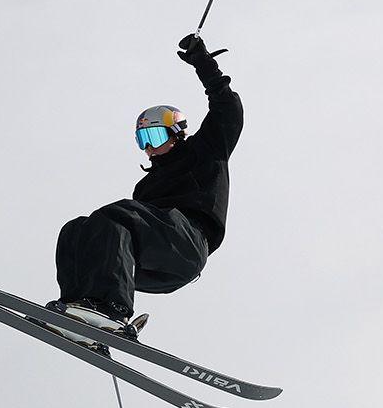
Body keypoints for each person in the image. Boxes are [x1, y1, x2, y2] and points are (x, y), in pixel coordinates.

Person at [48, 33, 245, 343]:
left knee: (115, 215)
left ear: (176, 133)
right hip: (154, 265)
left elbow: (227, 109)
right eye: (143, 141)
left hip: (189, 243)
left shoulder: (205, 150)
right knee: (76, 230)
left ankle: (113, 310)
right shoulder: (147, 186)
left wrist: (203, 63)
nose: (149, 148)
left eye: (154, 137)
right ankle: (79, 311)